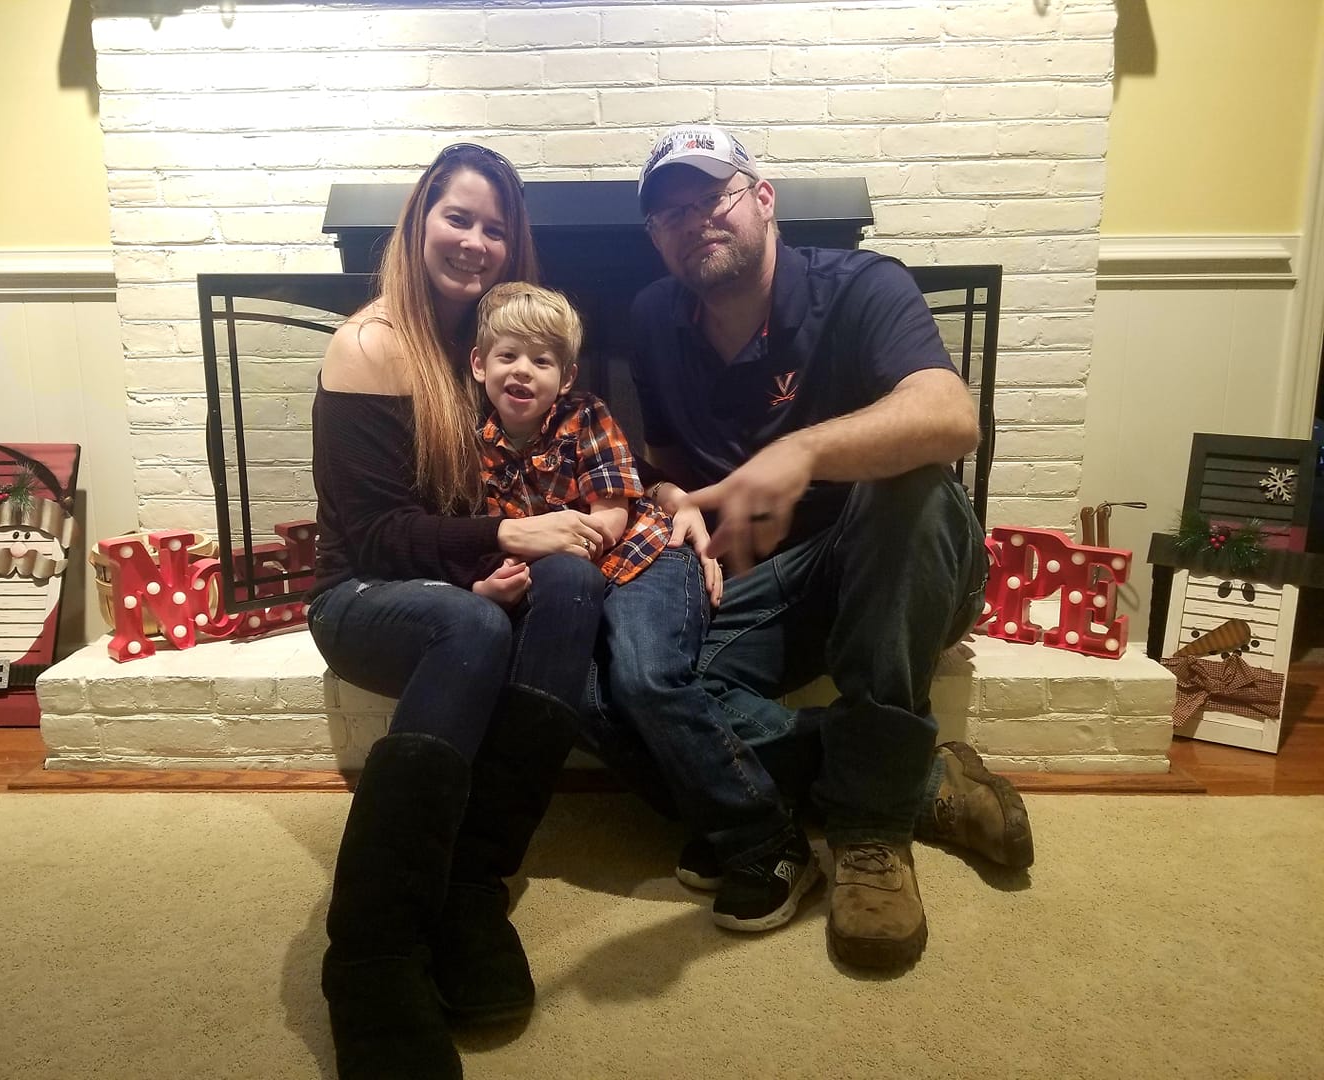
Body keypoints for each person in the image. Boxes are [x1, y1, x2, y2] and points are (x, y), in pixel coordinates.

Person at [608, 124, 1036, 971]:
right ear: (656, 239)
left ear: (764, 200)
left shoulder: (861, 286)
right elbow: (661, 465)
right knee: (637, 699)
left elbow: (953, 418)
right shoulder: (655, 317)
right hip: (767, 583)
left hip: (896, 559)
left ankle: (871, 832)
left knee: (906, 484)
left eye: (713, 198)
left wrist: (801, 453)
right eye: (670, 215)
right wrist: (669, 502)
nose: (694, 223)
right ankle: (916, 780)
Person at [306, 144, 609, 1080]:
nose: (476, 241)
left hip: (450, 588)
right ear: (418, 220)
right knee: (474, 621)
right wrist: (507, 539)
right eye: (458, 218)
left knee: (573, 581)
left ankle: (471, 886)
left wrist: (657, 502)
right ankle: (371, 954)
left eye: (494, 227)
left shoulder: (483, 354)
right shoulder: (371, 346)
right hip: (359, 595)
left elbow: (587, 470)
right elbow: (379, 535)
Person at [470, 281, 820, 932]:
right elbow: (484, 538)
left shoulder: (584, 415)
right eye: (509, 355)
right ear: (479, 363)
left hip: (646, 562)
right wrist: (492, 584)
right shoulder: (473, 447)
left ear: (565, 374)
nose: (522, 371)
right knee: (588, 704)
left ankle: (766, 839)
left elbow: (611, 514)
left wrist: (557, 535)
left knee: (645, 675)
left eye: (542, 361)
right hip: (572, 593)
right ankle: (719, 810)